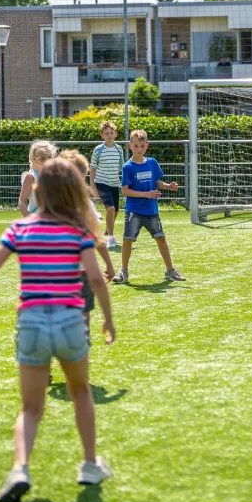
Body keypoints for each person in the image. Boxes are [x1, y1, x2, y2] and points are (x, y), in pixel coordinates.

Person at [0, 157, 117, 502]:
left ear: (38, 190)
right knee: (81, 392)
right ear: (74, 191)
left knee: (30, 407)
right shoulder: (78, 231)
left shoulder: (20, 229)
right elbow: (96, 278)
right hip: (70, 320)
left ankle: (20, 469)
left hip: (31, 322)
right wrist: (108, 319)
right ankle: (89, 465)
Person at [59, 149, 116, 343]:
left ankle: (47, 365)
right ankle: (81, 351)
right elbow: (97, 239)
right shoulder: (84, 205)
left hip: (51, 272)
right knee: (83, 315)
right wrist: (108, 264)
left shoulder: (47, 204)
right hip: (80, 272)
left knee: (54, 321)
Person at [113, 130, 184, 284]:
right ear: (130, 146)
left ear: (147, 146)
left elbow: (157, 182)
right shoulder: (128, 167)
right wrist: (146, 195)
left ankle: (170, 271)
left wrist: (167, 186)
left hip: (151, 210)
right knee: (127, 239)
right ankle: (123, 271)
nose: (139, 148)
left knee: (161, 238)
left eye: (142, 146)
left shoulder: (152, 163)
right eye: (136, 145)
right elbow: (125, 191)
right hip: (134, 210)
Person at [90, 121, 125, 249]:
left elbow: (122, 167)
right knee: (110, 208)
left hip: (115, 183)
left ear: (115, 134)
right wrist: (92, 185)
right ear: (102, 135)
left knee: (116, 210)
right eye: (106, 133)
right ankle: (110, 238)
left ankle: (106, 233)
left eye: (111, 132)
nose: (109, 135)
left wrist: (126, 183)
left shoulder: (119, 149)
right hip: (101, 182)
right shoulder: (98, 150)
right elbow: (92, 167)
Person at [18, 141, 58, 217]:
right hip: (36, 220)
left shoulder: (54, 175)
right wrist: (28, 219)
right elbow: (22, 201)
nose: (46, 161)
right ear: (33, 158)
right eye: (42, 158)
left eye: (49, 157)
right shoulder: (31, 177)